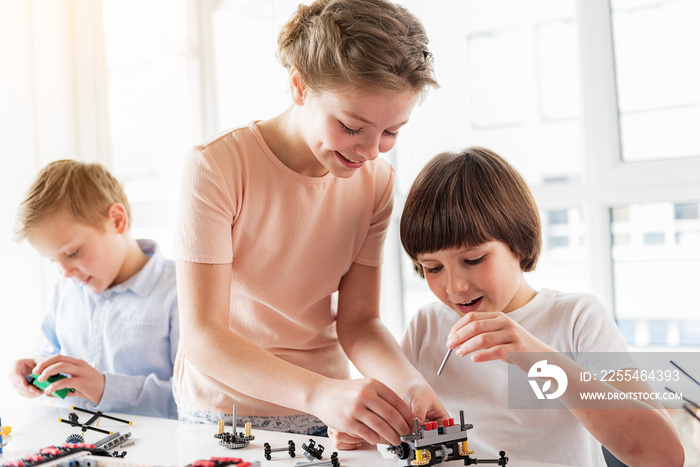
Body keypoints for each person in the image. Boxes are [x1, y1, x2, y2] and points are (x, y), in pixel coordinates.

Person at [173, 0, 447, 449]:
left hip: (326, 413)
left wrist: (410, 386)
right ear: (300, 86)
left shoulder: (377, 182)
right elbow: (203, 336)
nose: (371, 151)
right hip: (224, 413)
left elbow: (359, 321)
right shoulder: (217, 167)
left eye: (391, 132)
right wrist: (321, 393)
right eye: (350, 126)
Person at [398, 147, 684, 466]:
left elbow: (663, 456)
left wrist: (538, 360)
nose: (454, 287)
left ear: (519, 243)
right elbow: (396, 425)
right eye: (433, 268)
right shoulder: (426, 326)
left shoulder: (577, 319)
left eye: (473, 260)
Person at [11, 159, 179, 419]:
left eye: (73, 253)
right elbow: (50, 348)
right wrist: (36, 369)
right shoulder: (67, 288)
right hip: (72, 446)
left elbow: (193, 401)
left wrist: (106, 389)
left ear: (116, 220)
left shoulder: (178, 292)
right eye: (53, 260)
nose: (65, 272)